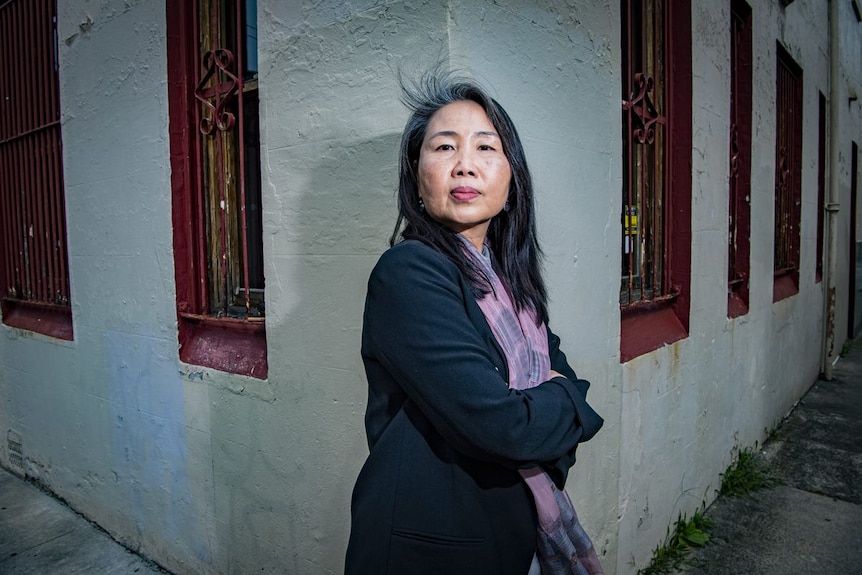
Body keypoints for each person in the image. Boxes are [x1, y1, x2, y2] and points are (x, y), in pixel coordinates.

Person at [345, 70, 604, 575]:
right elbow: (502, 426)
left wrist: (550, 404)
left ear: (511, 182)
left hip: (513, 533)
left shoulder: (513, 287)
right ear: (417, 180)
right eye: (443, 148)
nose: (465, 165)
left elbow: (553, 387)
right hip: (434, 550)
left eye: (486, 148)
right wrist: (566, 400)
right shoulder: (409, 273)